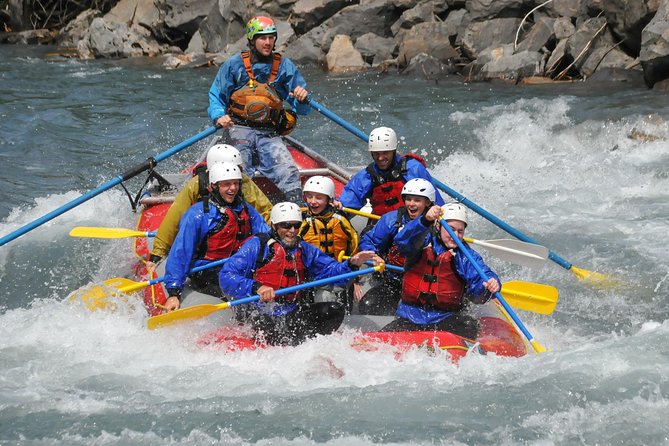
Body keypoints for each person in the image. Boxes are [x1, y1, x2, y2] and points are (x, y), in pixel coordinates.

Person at [218, 202, 383, 346]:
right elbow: (226, 275)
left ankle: (308, 348)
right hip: (260, 312)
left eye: (296, 225)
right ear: (274, 226)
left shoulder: (304, 249)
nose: (292, 230)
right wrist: (257, 287)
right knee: (278, 328)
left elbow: (333, 272)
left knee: (333, 310)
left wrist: (352, 263)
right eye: (286, 225)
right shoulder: (258, 245)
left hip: (291, 310)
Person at [207, 15, 310, 204]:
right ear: (252, 40)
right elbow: (216, 96)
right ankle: (235, 208)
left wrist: (302, 98)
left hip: (269, 132)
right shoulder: (233, 65)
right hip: (238, 128)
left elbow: (302, 109)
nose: (268, 42)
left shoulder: (284, 67)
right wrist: (219, 116)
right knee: (235, 170)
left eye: (272, 37)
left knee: (288, 170)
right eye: (263, 37)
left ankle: (296, 212)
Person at [383, 202, 501, 340]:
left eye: (460, 231)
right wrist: (424, 220)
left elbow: (481, 279)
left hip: (445, 320)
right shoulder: (421, 242)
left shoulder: (465, 255)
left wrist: (489, 285)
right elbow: (402, 241)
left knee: (469, 325)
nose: (455, 235)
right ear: (438, 226)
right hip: (410, 317)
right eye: (451, 229)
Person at [163, 163, 270, 311]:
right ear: (214, 186)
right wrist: (174, 292)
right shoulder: (198, 214)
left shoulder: (245, 208)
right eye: (226, 184)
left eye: (235, 183)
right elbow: (181, 252)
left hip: (238, 265)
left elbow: (266, 236)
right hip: (207, 271)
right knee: (238, 287)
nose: (232, 188)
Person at [149, 143, 272, 263]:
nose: (238, 173)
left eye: (238, 169)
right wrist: (158, 252)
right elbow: (174, 217)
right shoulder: (197, 184)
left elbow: (265, 210)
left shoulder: (243, 182)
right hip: (208, 236)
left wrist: (278, 234)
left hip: (233, 236)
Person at [355, 178, 437, 315]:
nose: (411, 204)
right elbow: (369, 241)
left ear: (428, 202)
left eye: (417, 200)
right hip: (392, 279)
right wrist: (374, 256)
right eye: (408, 199)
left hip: (421, 283)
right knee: (369, 306)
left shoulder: (438, 226)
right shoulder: (391, 220)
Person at [335, 126, 444, 216]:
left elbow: (436, 202)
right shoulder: (366, 176)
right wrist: (337, 208)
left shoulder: (413, 168)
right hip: (382, 227)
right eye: (376, 153)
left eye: (385, 153)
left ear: (393, 151)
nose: (380, 158)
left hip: (412, 224)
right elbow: (347, 203)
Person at [299, 175, 360, 305]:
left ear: (329, 199)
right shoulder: (301, 222)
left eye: (319, 198)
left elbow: (354, 248)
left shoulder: (340, 220)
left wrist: (355, 280)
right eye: (309, 196)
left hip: (340, 274)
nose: (313, 202)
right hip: (313, 278)